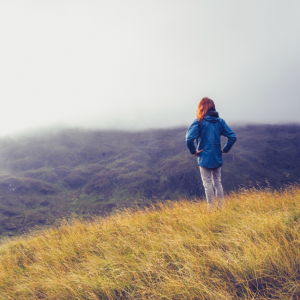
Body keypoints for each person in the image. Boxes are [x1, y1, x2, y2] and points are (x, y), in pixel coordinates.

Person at [186, 97, 237, 209]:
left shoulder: (199, 122)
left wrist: (193, 151)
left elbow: (189, 138)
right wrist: (225, 149)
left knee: (207, 184)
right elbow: (233, 136)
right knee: (217, 183)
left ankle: (211, 209)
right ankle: (220, 208)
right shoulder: (220, 121)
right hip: (217, 156)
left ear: (201, 107)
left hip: (204, 157)